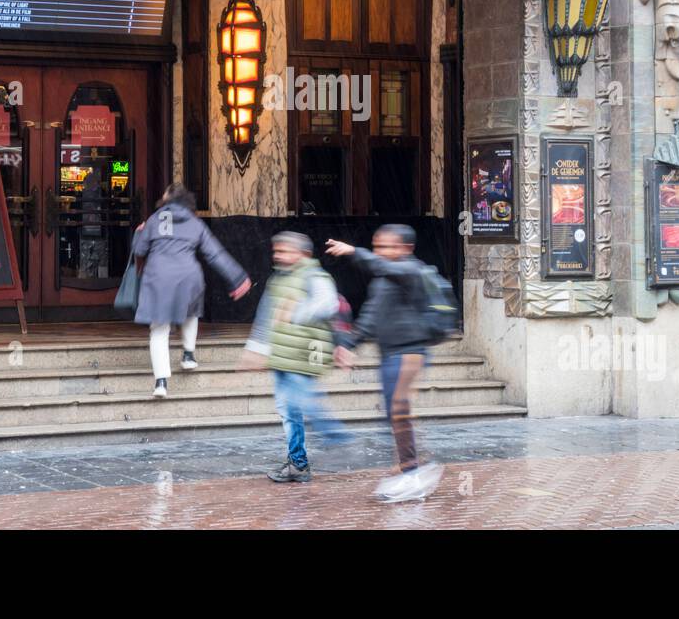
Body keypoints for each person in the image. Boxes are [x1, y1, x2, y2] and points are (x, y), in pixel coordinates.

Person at [326, 225, 444, 503]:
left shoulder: (410, 270)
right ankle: (410, 468)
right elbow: (371, 315)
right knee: (394, 412)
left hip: (409, 351)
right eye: (378, 246)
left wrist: (355, 251)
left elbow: (383, 267)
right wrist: (348, 344)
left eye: (388, 247)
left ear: (406, 249)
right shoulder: (383, 278)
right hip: (390, 353)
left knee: (399, 410)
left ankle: (412, 472)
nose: (381, 253)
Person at [240, 231, 351, 484]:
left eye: (285, 251)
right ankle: (298, 462)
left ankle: (331, 432)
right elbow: (266, 316)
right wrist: (256, 348)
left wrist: (296, 313)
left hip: (305, 352)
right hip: (282, 355)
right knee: (288, 409)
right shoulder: (277, 280)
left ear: (304, 254)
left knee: (299, 398)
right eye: (277, 251)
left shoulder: (315, 276)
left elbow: (329, 303)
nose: (279, 256)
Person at [131, 184, 251, 398]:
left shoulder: (154, 219)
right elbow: (215, 253)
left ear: (166, 201)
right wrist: (238, 278)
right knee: (190, 312)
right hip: (189, 276)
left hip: (159, 277)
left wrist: (139, 233)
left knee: (159, 329)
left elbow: (140, 250)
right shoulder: (195, 223)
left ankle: (161, 382)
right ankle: (188, 355)